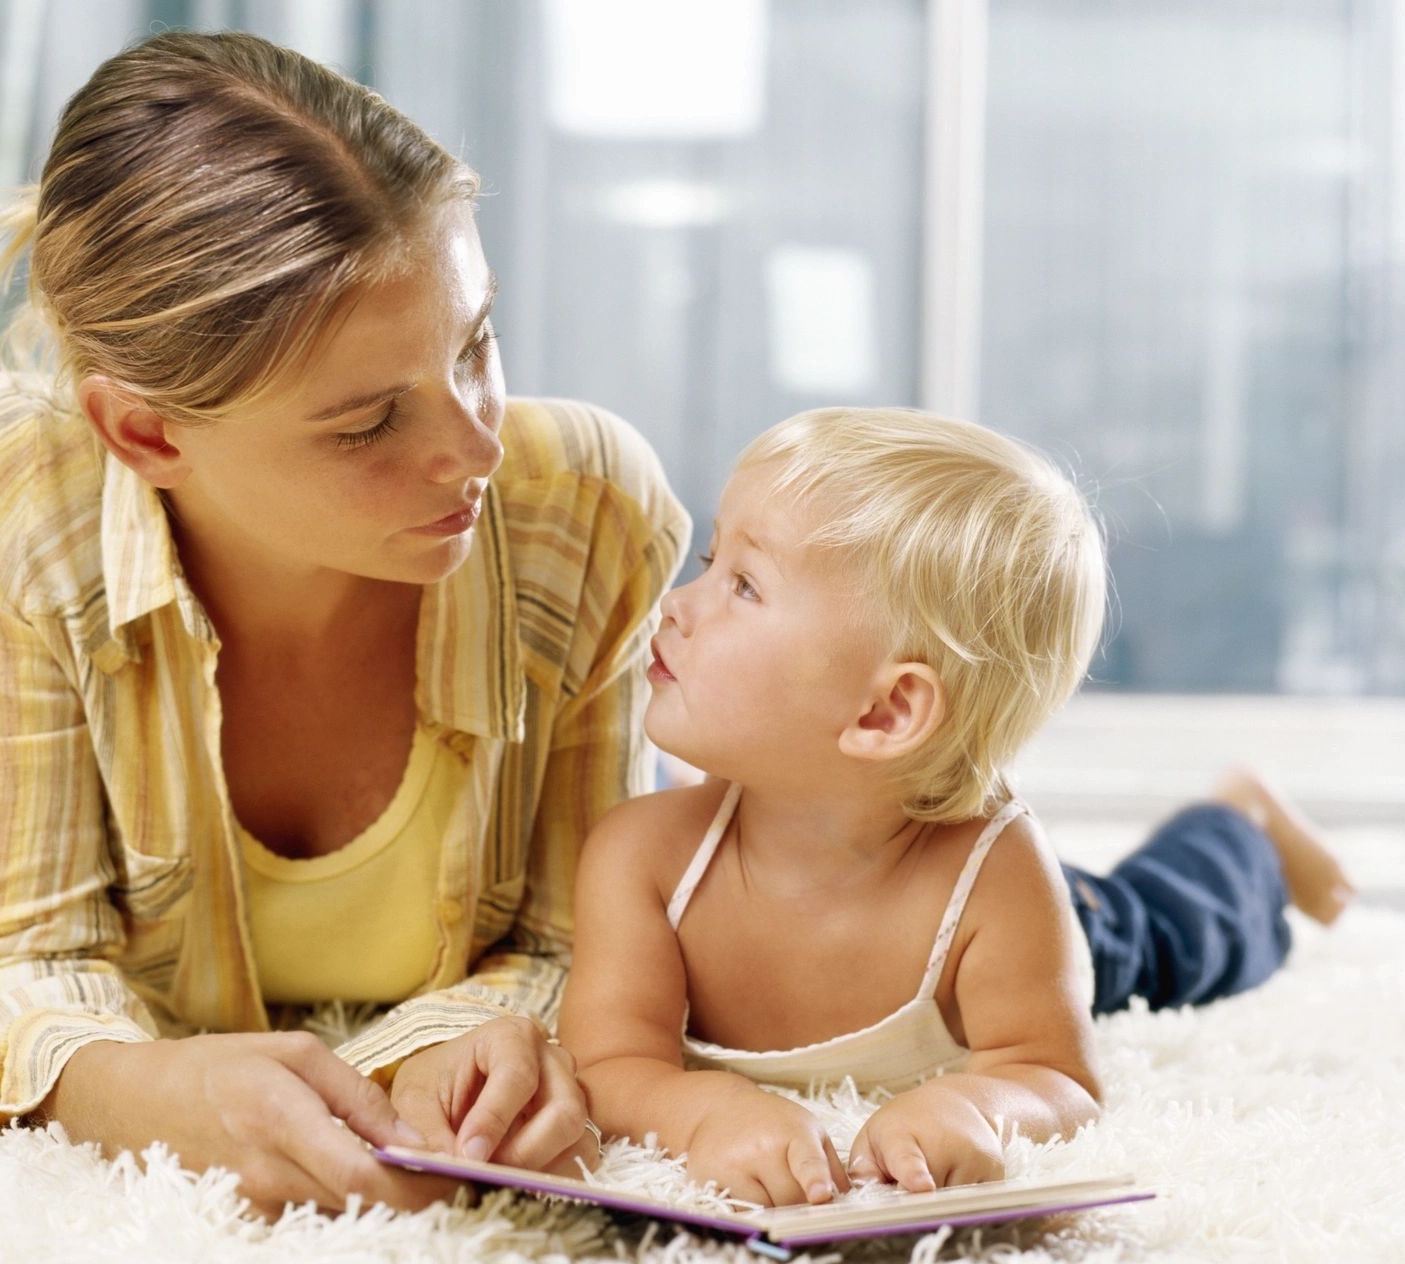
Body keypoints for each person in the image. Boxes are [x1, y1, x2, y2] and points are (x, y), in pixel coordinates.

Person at [0, 31, 690, 1219]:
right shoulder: (14, 497)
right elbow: (22, 959)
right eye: (368, 424)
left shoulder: (583, 507)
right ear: (146, 437)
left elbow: (582, 936)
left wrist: (446, 1050)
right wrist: (142, 1091)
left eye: (475, 346)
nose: (474, 446)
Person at [558, 408, 1354, 1207]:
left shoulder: (998, 878)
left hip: (1063, 929)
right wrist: (702, 1113)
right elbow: (608, 1062)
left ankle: (1240, 827)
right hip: (917, 856)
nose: (676, 605)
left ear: (884, 713)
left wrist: (973, 1104)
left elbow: (1054, 1077)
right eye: (708, 559)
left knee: (1177, 935)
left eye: (743, 585)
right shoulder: (643, 857)